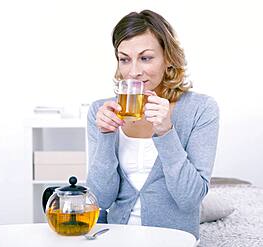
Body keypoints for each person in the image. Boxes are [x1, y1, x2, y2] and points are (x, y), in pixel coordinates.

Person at [86, 9, 219, 240]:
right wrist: (106, 134)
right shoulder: (101, 111)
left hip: (173, 239)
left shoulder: (201, 109)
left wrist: (166, 132)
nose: (134, 72)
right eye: (124, 59)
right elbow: (100, 200)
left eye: (146, 58)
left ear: (168, 58)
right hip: (115, 237)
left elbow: (190, 199)